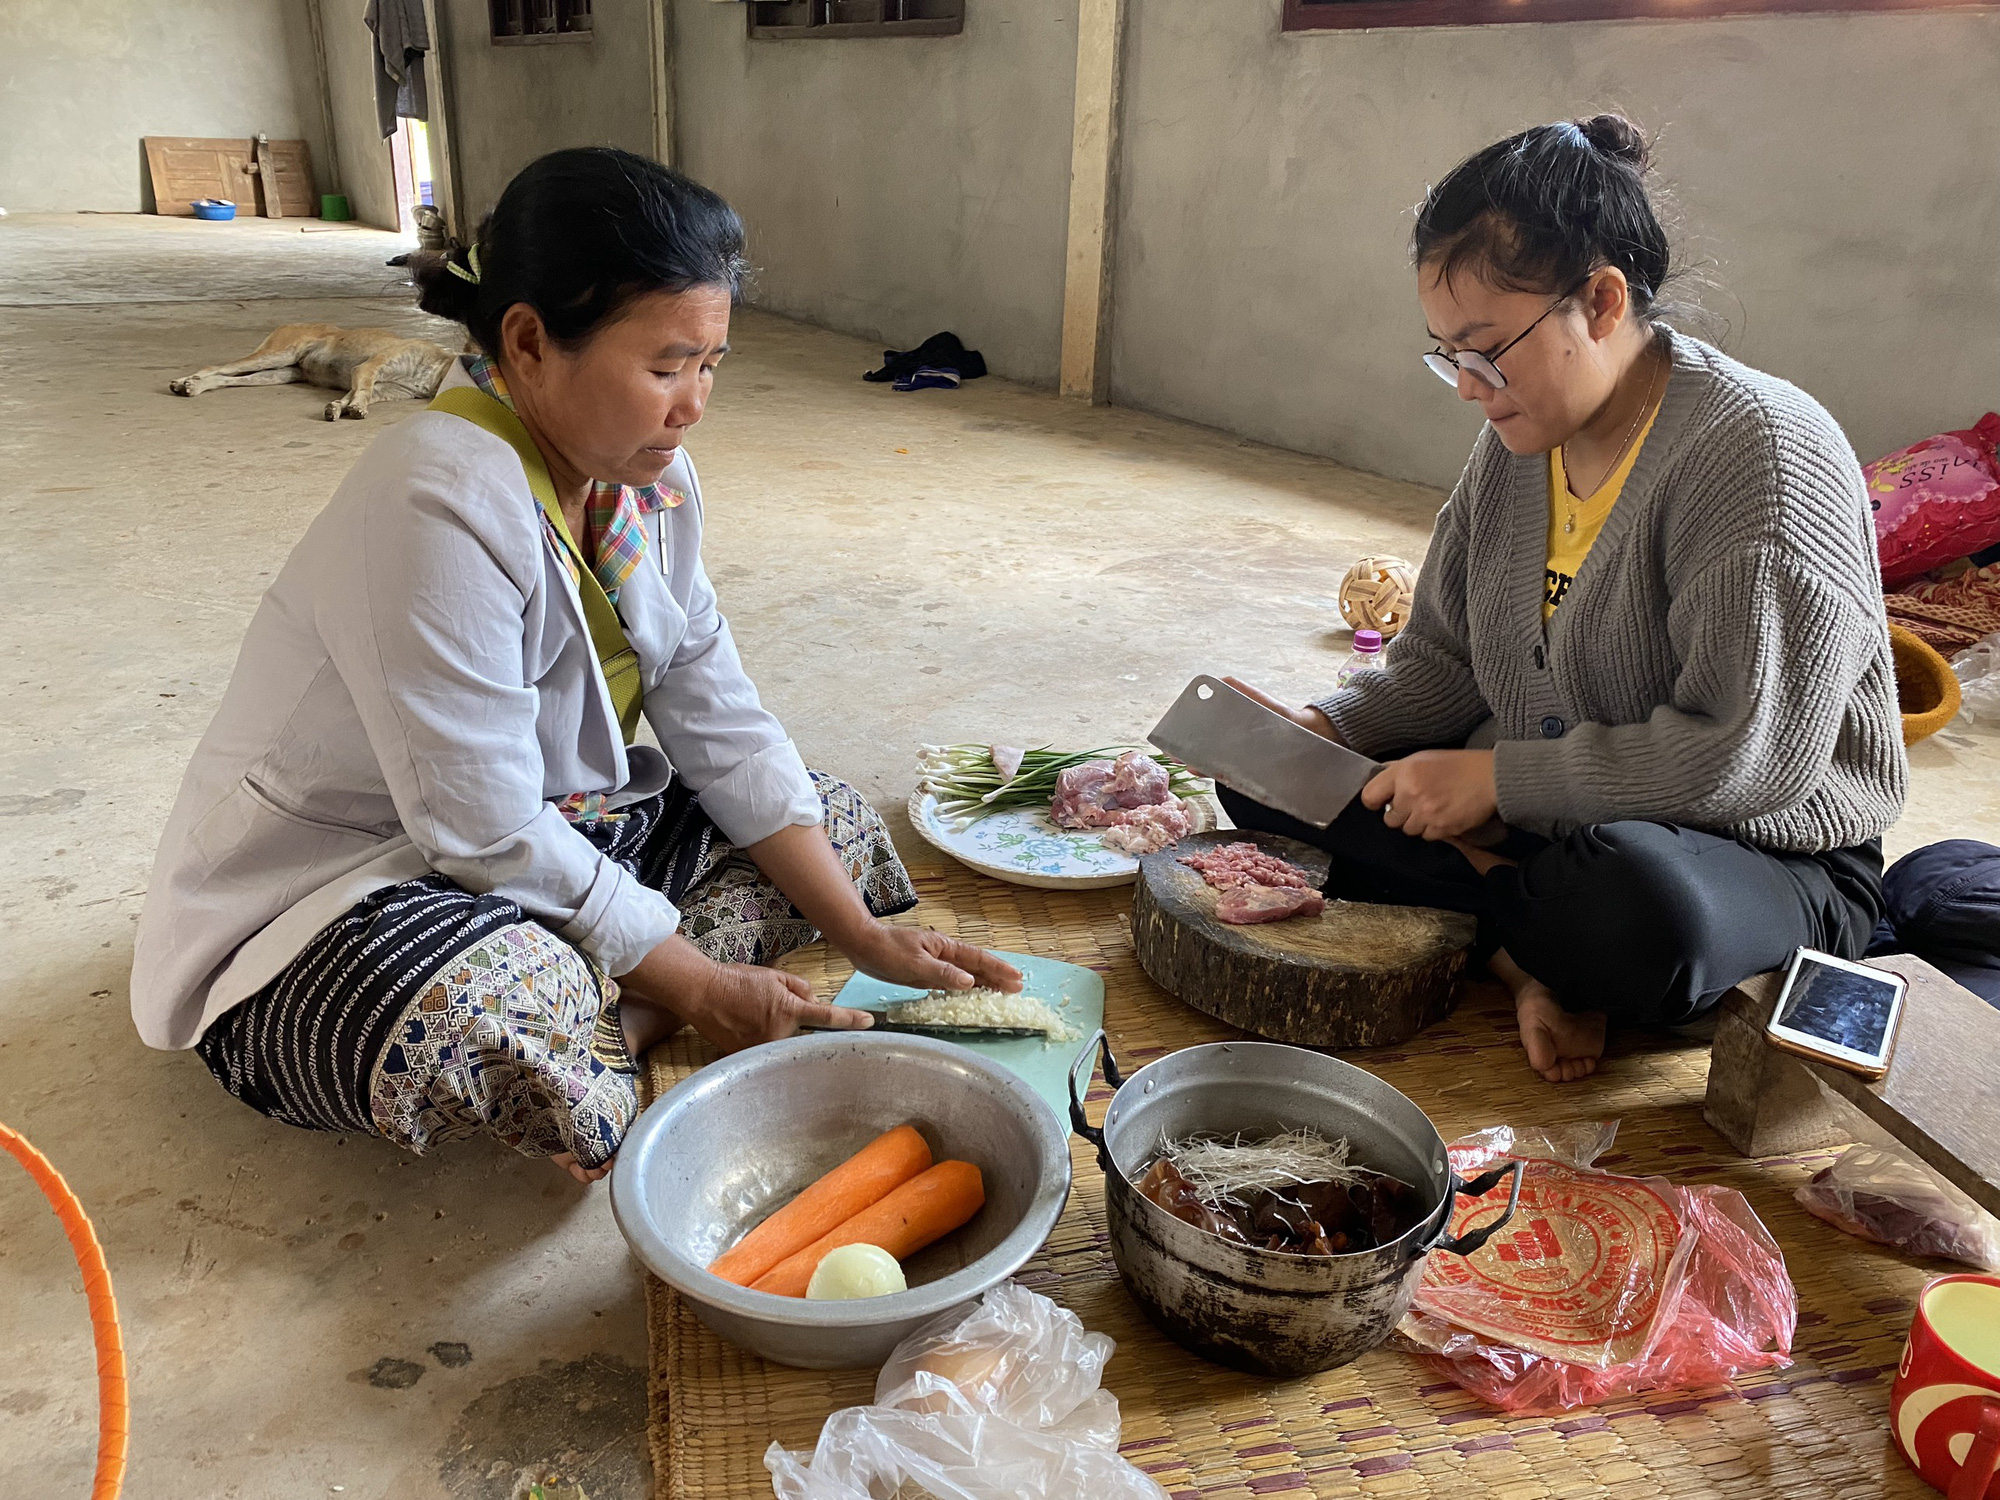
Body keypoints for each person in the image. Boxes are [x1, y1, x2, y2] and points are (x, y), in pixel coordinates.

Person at [132, 149, 1018, 1180]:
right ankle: (606, 1010)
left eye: (709, 365)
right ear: (528, 342)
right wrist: (697, 984)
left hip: (537, 830)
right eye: (663, 366)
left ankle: (617, 1022)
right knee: (478, 1008)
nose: (693, 405)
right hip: (341, 894)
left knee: (834, 823)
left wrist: (863, 940)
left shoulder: (646, 484)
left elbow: (718, 715)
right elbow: (477, 827)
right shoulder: (438, 497)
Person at [1228, 115, 1907, 1083]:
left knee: (1636, 911)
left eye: (1483, 350)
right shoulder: (1517, 445)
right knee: (1264, 778)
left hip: (1750, 849)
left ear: (1596, 301)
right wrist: (1318, 727)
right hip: (1545, 831)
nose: (1468, 388)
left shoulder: (1755, 452)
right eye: (1446, 355)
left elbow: (1743, 759)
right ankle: (1525, 958)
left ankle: (1525, 936)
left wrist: (1499, 781)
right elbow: (1441, 663)